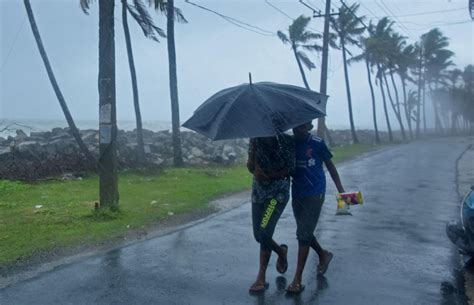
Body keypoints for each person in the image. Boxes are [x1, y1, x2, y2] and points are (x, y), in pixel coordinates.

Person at [286, 122, 345, 294]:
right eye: (296, 127)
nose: (299, 130)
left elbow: (331, 166)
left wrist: (341, 189)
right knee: (304, 232)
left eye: (303, 127)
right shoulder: (290, 143)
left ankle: (297, 279)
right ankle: (323, 254)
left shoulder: (318, 143)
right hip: (297, 192)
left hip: (315, 192)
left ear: (309, 127)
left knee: (303, 235)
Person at [247, 133, 295, 294]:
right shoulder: (255, 138)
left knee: (265, 232)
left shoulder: (285, 141)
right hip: (258, 193)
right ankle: (281, 251)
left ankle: (261, 277)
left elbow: (291, 168)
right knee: (258, 235)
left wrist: (269, 175)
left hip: (276, 195)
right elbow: (250, 167)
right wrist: (253, 156)